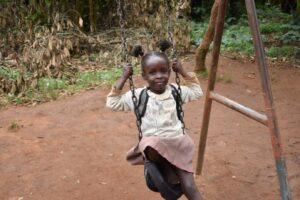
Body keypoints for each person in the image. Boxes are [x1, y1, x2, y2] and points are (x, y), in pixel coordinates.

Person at [106, 51, 203, 200]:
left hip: (177, 143)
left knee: (190, 186)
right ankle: (167, 172)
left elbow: (196, 91)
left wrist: (182, 71)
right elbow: (113, 102)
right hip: (154, 147)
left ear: (170, 72)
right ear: (144, 76)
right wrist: (124, 77)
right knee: (150, 143)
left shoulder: (175, 92)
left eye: (163, 71)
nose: (159, 76)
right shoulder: (139, 96)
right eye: (152, 73)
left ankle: (169, 176)